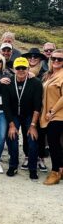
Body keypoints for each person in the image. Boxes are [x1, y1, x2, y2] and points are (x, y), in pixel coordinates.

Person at [1, 57, 43, 180]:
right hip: (14, 114)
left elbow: (37, 106)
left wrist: (33, 125)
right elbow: (6, 106)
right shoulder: (8, 83)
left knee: (33, 139)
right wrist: (11, 125)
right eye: (18, 68)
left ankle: (32, 168)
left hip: (30, 114)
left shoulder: (35, 83)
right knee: (12, 137)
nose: (21, 70)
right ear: (14, 69)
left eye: (23, 68)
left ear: (28, 68)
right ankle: (13, 165)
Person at [20, 48, 48, 171]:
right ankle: (27, 156)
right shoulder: (22, 71)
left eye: (35, 57)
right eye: (30, 57)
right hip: (26, 110)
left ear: (40, 59)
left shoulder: (45, 72)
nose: (32, 58)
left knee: (40, 135)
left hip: (41, 109)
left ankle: (40, 158)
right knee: (26, 134)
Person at [40, 49, 63, 185]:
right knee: (57, 143)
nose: (56, 61)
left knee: (54, 144)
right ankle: (60, 170)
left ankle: (55, 172)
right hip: (52, 114)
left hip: (57, 115)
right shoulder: (50, 75)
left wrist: (52, 111)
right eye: (54, 58)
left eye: (60, 59)